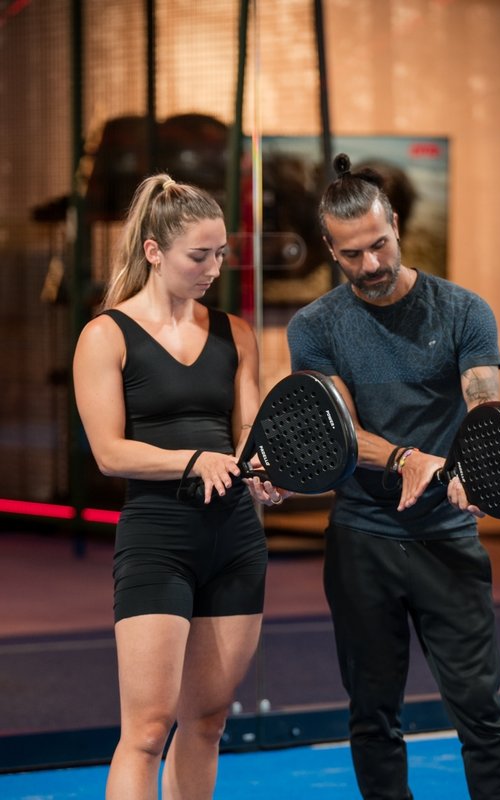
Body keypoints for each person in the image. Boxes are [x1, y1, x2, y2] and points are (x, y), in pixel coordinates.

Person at [287, 153, 500, 800]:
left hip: (448, 538)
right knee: (372, 711)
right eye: (353, 254)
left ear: (395, 225)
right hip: (362, 541)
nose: (372, 265)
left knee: (479, 708)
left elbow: (485, 408)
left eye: (380, 245)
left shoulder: (463, 310)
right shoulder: (315, 327)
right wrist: (405, 458)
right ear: (331, 250)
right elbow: (338, 430)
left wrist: (477, 465)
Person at [73, 173, 284, 800]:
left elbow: (247, 437)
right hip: (158, 541)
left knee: (208, 721)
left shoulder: (236, 333)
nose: (213, 267)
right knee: (145, 729)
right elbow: (110, 452)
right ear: (154, 251)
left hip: (236, 542)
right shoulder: (105, 336)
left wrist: (264, 473)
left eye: (221, 254)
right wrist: (194, 459)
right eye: (200, 255)